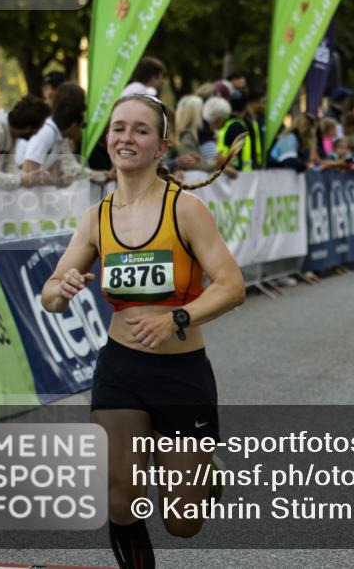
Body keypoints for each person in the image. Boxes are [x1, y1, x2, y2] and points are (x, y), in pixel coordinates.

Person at [40, 93, 246, 569]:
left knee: (183, 521)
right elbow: (50, 295)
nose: (126, 137)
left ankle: (203, 476)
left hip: (181, 374)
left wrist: (176, 318)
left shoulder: (185, 209)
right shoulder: (96, 218)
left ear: (161, 146)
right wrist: (61, 288)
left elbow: (232, 286)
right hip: (121, 370)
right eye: (119, 128)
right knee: (120, 498)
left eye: (140, 129)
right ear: (107, 139)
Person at [22, 82, 86, 185]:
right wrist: (57, 181)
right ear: (74, 124)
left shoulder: (58, 136)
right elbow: (28, 173)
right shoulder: (47, 133)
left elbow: (70, 167)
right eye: (82, 124)